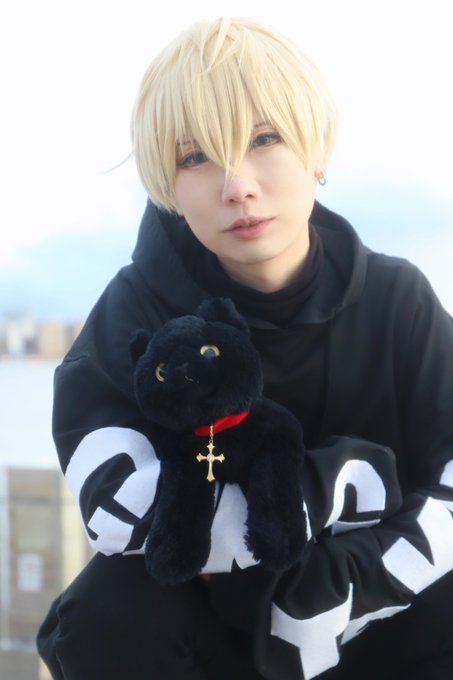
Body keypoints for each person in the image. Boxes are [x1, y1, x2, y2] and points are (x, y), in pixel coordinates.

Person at [37, 16, 453, 680]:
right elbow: (119, 502)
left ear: (317, 151)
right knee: (108, 611)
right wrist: (293, 525)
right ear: (167, 187)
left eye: (263, 139)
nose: (236, 185)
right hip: (215, 641)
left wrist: (337, 579)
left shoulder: (398, 301)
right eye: (194, 157)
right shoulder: (136, 312)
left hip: (377, 625)